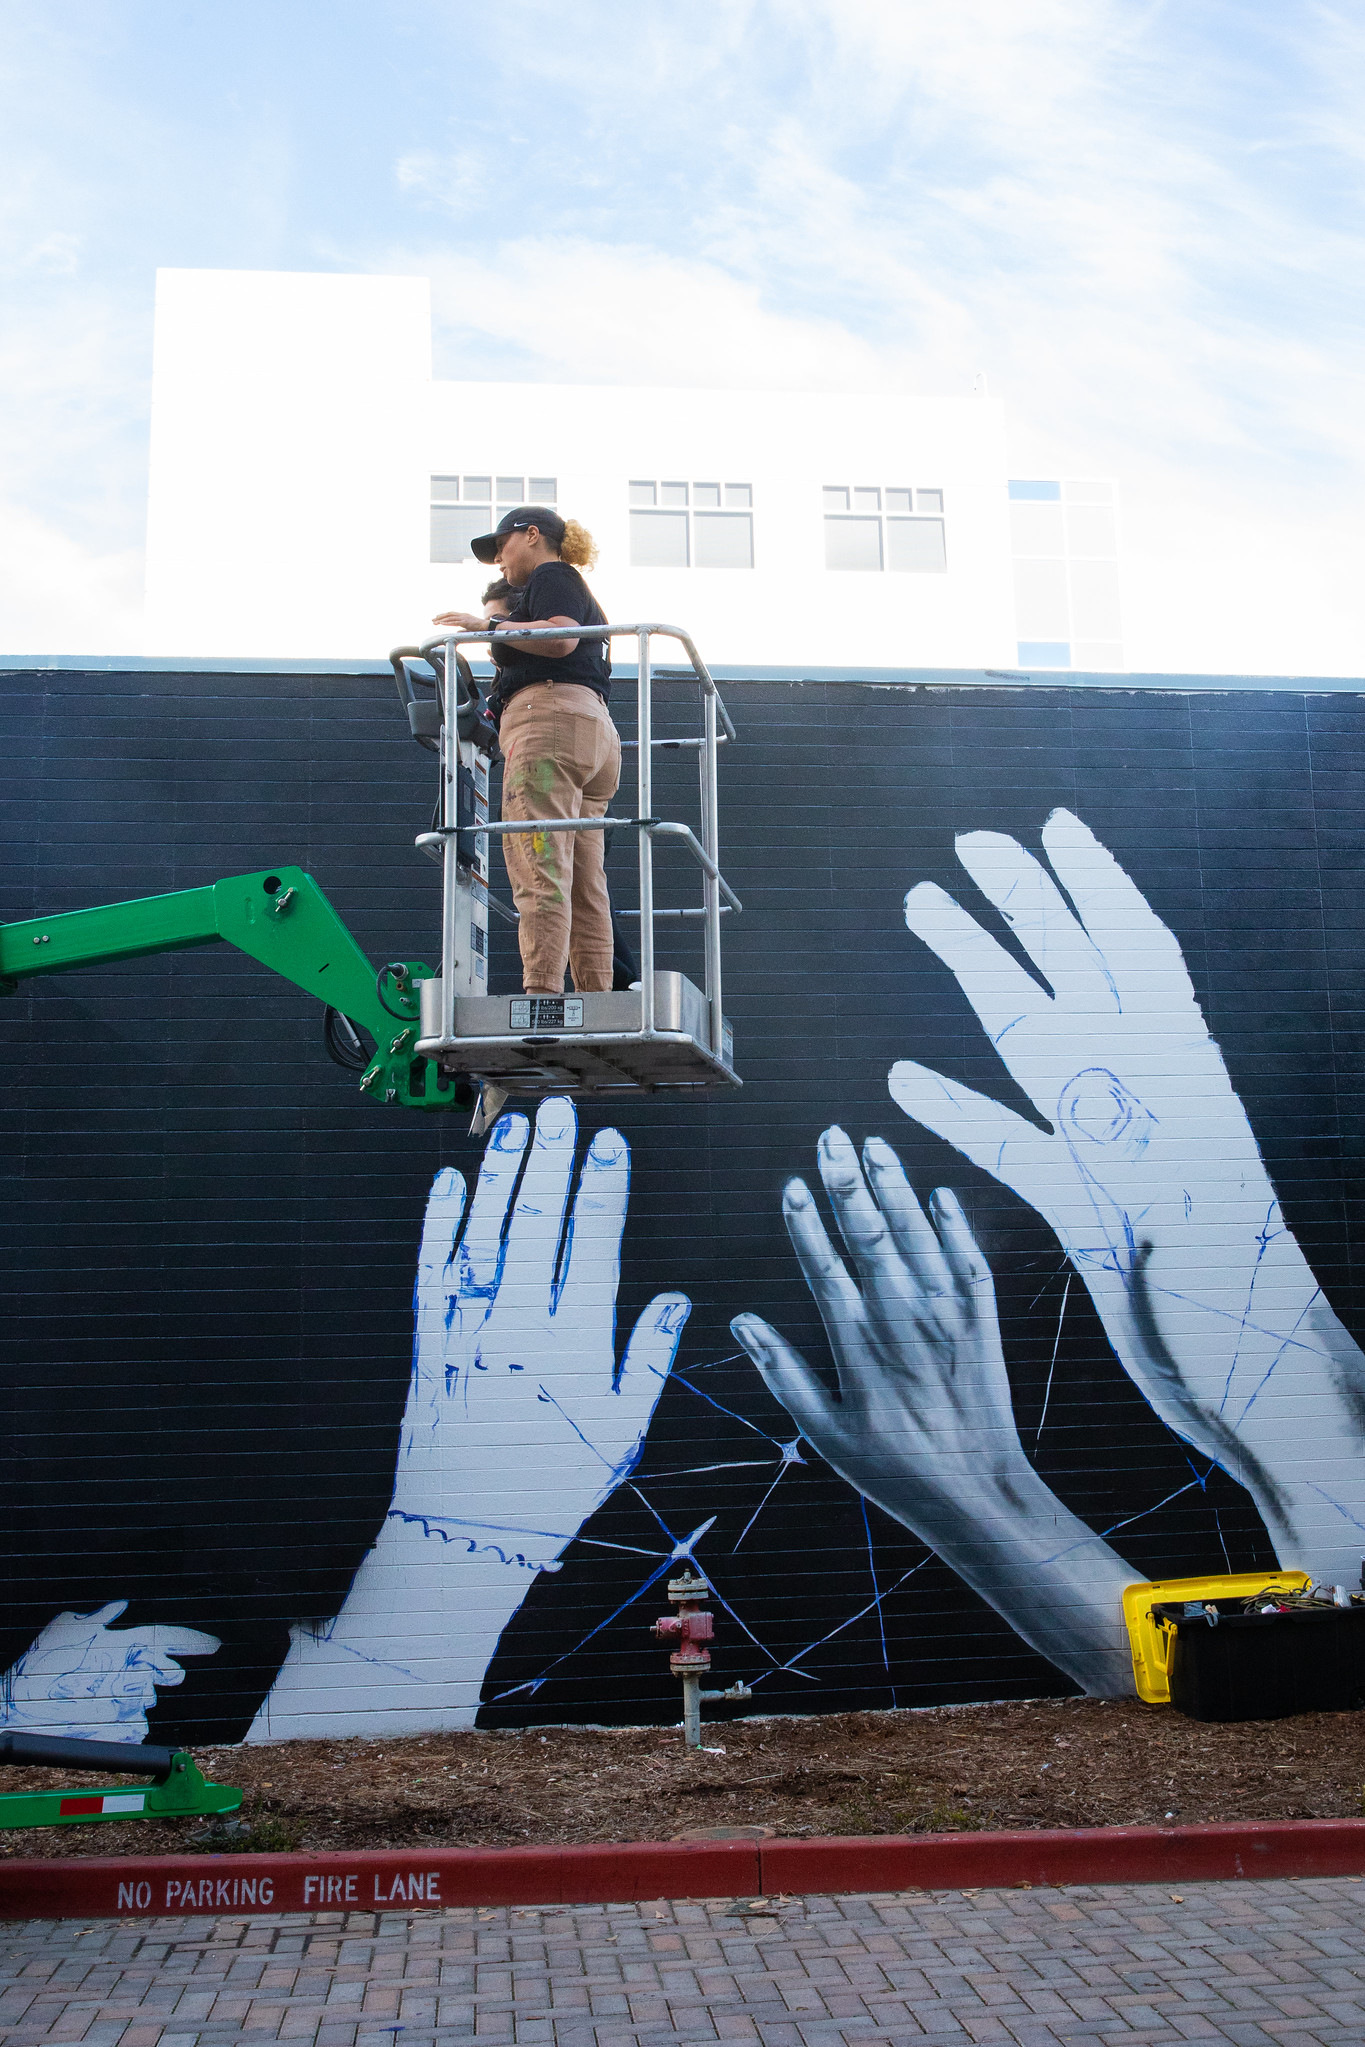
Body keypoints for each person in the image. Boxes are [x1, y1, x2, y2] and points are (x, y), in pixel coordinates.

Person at [434, 509, 618, 996]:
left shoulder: (552, 575)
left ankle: (542, 997)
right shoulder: (569, 589)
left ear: (533, 535)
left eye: (502, 545)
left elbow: (558, 638)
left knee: (539, 864)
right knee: (583, 881)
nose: (498, 559)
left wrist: (487, 626)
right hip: (592, 732)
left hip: (549, 727)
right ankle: (596, 999)